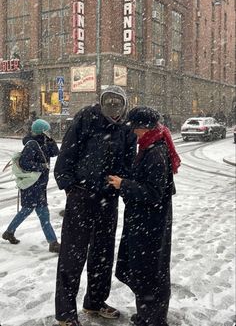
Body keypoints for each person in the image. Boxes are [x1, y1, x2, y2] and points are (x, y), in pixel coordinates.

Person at [54, 85, 136, 326]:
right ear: (101, 103)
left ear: (124, 105)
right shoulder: (86, 117)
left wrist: (122, 184)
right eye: (108, 102)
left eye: (117, 103)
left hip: (107, 198)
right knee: (72, 254)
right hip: (81, 195)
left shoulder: (126, 128)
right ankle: (65, 313)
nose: (113, 108)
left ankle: (95, 302)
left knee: (103, 253)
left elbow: (128, 160)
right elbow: (67, 151)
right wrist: (69, 185)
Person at [108, 106, 181, 326]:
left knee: (150, 274)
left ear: (145, 127)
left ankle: (152, 320)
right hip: (148, 223)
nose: (134, 132)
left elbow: (153, 193)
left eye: (135, 128)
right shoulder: (152, 145)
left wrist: (124, 185)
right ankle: (147, 316)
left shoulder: (155, 152)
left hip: (151, 226)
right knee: (146, 272)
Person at [2, 119, 60, 253]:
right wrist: (41, 167)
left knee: (27, 211)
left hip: (39, 185)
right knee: (42, 214)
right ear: (42, 131)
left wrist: (51, 140)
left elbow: (55, 152)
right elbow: (24, 163)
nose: (49, 132)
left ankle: (9, 232)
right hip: (32, 186)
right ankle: (53, 243)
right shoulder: (32, 145)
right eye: (47, 130)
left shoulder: (43, 142)